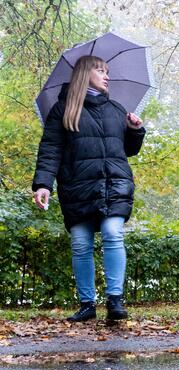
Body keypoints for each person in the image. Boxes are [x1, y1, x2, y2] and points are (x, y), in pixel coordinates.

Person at [32, 55, 146, 322]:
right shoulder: (63, 110)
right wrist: (43, 184)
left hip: (114, 183)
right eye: (100, 71)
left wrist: (135, 130)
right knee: (81, 244)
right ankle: (87, 305)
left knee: (112, 233)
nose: (107, 76)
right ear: (85, 74)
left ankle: (115, 301)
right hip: (77, 186)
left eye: (107, 72)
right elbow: (50, 150)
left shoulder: (118, 109)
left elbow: (129, 150)